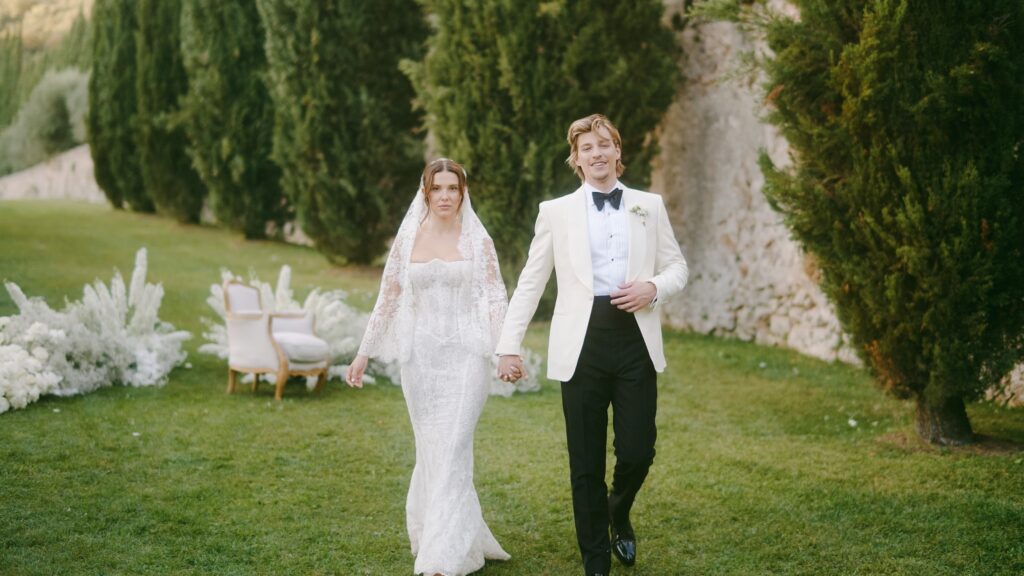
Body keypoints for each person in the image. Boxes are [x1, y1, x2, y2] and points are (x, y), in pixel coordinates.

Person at [495, 114, 688, 576]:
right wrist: (508, 345)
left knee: (638, 450)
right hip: (580, 345)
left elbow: (678, 267)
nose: (597, 153)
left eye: (604, 145)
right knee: (585, 463)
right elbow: (530, 282)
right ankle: (596, 562)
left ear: (618, 152)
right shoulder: (555, 212)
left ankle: (617, 513)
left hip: (634, 340)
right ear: (576, 159)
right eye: (587, 148)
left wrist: (653, 288)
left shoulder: (649, 205)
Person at [346, 158, 511, 576]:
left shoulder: (477, 239)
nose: (444, 196)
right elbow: (388, 299)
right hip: (421, 361)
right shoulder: (407, 241)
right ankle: (443, 531)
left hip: (467, 356)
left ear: (462, 193)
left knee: (455, 447)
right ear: (425, 192)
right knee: (433, 450)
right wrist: (363, 352)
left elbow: (495, 297)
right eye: (436, 188)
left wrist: (505, 349)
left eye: (452, 188)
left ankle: (442, 557)